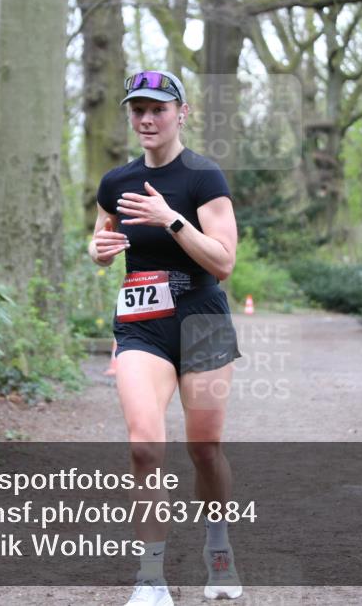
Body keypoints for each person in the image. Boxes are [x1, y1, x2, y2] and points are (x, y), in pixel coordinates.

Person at [88, 70, 243, 605]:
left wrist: (171, 219)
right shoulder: (116, 181)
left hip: (201, 321)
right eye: (138, 110)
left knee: (204, 450)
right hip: (142, 325)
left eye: (158, 108)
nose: (147, 119)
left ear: (182, 112)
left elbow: (224, 262)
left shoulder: (204, 177)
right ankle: (151, 580)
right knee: (144, 446)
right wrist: (101, 251)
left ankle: (218, 551)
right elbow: (101, 235)